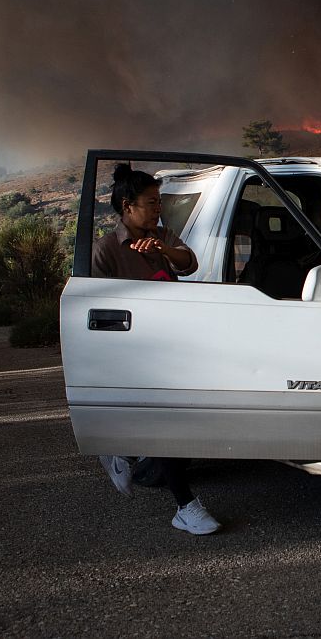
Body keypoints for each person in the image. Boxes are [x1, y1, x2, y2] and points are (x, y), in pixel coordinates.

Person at [92, 163, 222, 535]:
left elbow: (189, 263)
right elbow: (98, 308)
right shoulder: (107, 250)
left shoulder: (163, 235)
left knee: (175, 422)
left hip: (172, 346)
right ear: (127, 206)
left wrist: (164, 248)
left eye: (159, 202)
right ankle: (186, 506)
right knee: (162, 422)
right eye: (151, 203)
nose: (158, 209)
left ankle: (121, 449)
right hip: (136, 352)